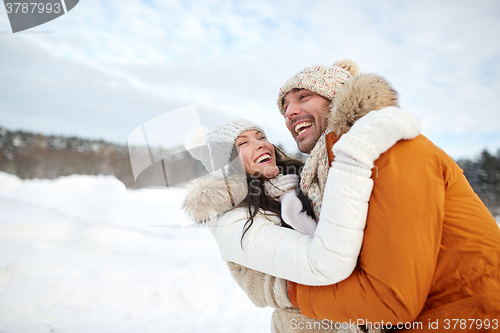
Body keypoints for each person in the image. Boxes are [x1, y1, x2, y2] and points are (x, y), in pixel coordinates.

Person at [276, 61, 500, 330]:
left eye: (304, 97)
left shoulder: (389, 148)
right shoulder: (332, 170)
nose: (290, 111)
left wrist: (288, 292)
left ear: (335, 98)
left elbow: (392, 301)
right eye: (284, 106)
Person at [183, 109, 420, 332]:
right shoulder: (234, 219)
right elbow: (316, 261)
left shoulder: (298, 184)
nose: (261, 144)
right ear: (228, 165)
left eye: (261, 136)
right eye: (243, 143)